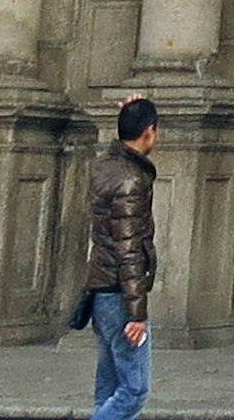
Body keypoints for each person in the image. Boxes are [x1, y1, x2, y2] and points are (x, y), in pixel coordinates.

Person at [79, 97, 158, 420]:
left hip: (102, 291)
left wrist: (130, 111)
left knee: (109, 388)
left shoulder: (107, 166)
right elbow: (128, 248)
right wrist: (137, 313)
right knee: (133, 390)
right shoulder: (130, 181)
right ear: (149, 132)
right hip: (119, 294)